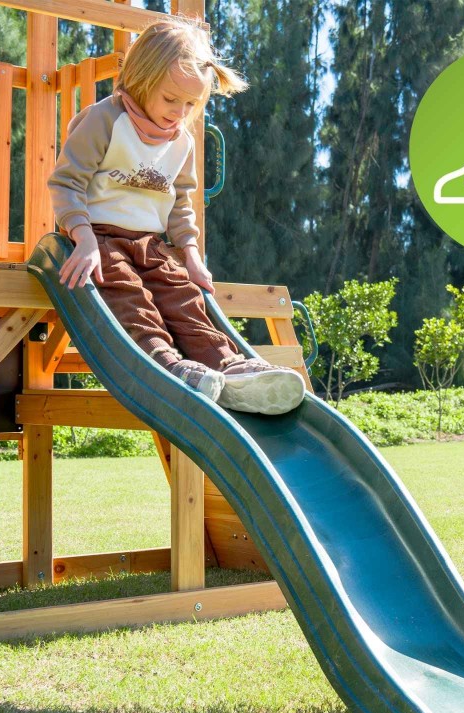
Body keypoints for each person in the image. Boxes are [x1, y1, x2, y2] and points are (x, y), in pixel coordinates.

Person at [48, 17, 306, 415]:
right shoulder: (103, 121)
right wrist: (81, 238)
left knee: (184, 298)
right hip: (100, 239)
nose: (180, 112)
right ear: (141, 79)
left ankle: (226, 365)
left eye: (191, 104)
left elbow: (180, 202)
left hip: (152, 243)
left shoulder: (182, 140)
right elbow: (67, 183)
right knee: (129, 296)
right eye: (171, 99)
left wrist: (190, 253)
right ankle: (165, 362)